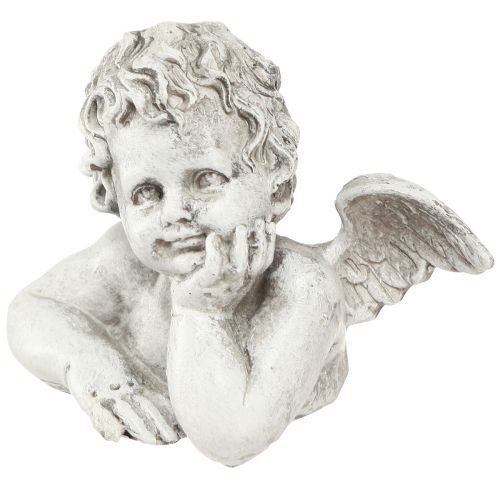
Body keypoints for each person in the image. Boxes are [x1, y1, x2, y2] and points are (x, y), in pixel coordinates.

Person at [7, 22, 347, 466]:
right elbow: (31, 309)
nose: (175, 213)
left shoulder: (304, 288)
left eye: (206, 179)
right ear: (115, 196)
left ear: (277, 186)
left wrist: (203, 310)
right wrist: (89, 359)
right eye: (147, 192)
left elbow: (230, 439)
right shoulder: (128, 260)